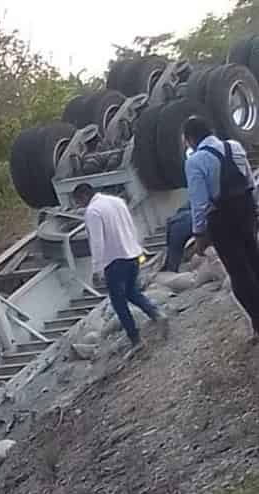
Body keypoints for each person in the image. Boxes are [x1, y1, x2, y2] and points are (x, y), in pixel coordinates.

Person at [183, 115, 259, 341]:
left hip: (222, 219)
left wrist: (199, 234)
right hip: (245, 211)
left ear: (191, 138)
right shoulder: (234, 146)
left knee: (239, 272)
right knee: (255, 260)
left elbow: (200, 203)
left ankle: (257, 321)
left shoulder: (195, 161)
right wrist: (255, 210)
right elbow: (250, 182)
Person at [73, 182, 167, 353]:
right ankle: (157, 314)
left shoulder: (93, 211)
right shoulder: (117, 201)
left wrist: (96, 269)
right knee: (132, 292)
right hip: (132, 254)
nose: (80, 206)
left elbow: (97, 241)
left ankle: (135, 339)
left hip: (114, 261)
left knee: (119, 303)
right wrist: (138, 247)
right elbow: (131, 226)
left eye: (78, 202)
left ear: (83, 197)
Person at [164, 203, 192, 273]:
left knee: (174, 256)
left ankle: (171, 271)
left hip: (175, 223)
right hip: (188, 220)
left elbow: (169, 244)